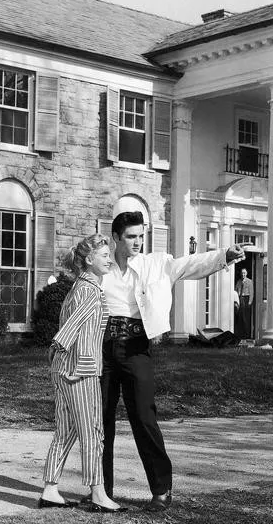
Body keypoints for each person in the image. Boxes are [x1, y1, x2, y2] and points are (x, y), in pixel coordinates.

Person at [99, 211, 247, 511]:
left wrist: (224, 255)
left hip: (136, 348)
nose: (138, 242)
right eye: (131, 237)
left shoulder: (157, 264)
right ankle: (101, 491)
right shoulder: (101, 267)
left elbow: (190, 265)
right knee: (100, 422)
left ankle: (161, 490)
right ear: (116, 237)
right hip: (101, 348)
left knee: (143, 416)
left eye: (141, 236)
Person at [39, 234, 127, 514]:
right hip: (81, 370)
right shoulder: (91, 290)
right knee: (93, 433)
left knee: (65, 432)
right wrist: (57, 344)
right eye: (104, 256)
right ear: (89, 260)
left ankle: (50, 490)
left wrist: (57, 351)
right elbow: (74, 324)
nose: (110, 260)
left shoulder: (78, 286)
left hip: (64, 369)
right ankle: (98, 493)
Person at [235, 268, 254, 338]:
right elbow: (235, 291)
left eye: (244, 273)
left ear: (246, 274)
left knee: (246, 318)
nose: (243, 274)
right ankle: (241, 334)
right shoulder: (239, 282)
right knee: (240, 317)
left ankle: (247, 334)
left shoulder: (249, 281)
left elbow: (251, 293)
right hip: (240, 299)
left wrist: (250, 302)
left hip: (246, 299)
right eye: (242, 273)